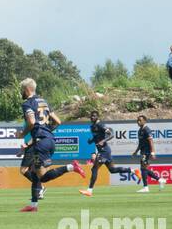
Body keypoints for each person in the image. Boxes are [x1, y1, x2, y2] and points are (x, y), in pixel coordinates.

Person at [16, 78, 84, 212]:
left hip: (41, 144)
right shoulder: (44, 102)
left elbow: (31, 121)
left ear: (27, 89)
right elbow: (58, 121)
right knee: (35, 174)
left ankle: (71, 167)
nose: (21, 93)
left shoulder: (27, 104)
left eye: (22, 90)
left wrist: (22, 134)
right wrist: (46, 132)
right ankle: (33, 206)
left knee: (43, 177)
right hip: (49, 140)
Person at [80, 111, 132, 197]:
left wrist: (103, 141)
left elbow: (111, 135)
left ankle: (89, 190)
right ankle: (132, 171)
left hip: (104, 151)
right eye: (91, 116)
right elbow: (96, 137)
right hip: (105, 151)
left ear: (97, 117)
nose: (92, 117)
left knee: (94, 169)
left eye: (94, 116)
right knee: (112, 170)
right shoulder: (92, 126)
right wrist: (91, 141)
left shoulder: (100, 125)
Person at [131, 115, 166, 193]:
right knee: (144, 169)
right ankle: (160, 180)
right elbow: (140, 143)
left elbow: (151, 141)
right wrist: (136, 151)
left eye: (140, 120)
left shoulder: (147, 130)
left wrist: (153, 152)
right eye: (137, 120)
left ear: (144, 121)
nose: (138, 122)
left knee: (143, 169)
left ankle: (146, 187)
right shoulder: (140, 130)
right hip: (142, 152)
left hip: (147, 152)